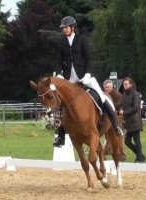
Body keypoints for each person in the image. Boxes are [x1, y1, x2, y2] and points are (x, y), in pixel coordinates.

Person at [53, 16, 123, 147]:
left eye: (66, 27)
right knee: (62, 102)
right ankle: (60, 136)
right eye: (63, 28)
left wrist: (88, 74)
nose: (64, 30)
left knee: (101, 97)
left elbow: (88, 59)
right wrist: (59, 74)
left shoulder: (82, 40)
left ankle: (115, 125)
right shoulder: (61, 44)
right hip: (69, 78)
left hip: (85, 75)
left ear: (72, 27)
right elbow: (58, 61)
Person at [119, 77, 146, 163]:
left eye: (126, 84)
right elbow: (122, 104)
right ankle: (140, 155)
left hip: (135, 121)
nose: (124, 85)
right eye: (124, 84)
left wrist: (125, 112)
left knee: (136, 140)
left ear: (131, 84)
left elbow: (136, 107)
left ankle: (140, 158)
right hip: (128, 122)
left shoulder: (135, 94)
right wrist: (120, 109)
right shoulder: (124, 94)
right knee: (127, 141)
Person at [103, 79, 127, 161]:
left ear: (112, 87)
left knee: (119, 137)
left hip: (118, 119)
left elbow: (121, 106)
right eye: (106, 87)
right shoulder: (103, 95)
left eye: (108, 87)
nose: (107, 88)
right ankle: (108, 152)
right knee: (108, 138)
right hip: (108, 119)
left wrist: (117, 112)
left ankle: (121, 154)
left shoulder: (118, 95)